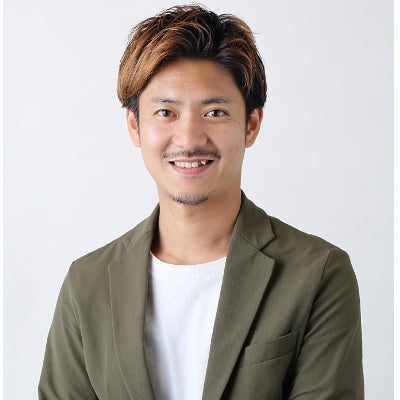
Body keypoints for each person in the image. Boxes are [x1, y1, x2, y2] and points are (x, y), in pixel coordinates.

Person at [39, 5, 364, 399]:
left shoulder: (318, 273)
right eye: (166, 112)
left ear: (251, 125)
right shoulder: (86, 284)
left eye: (215, 112)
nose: (190, 138)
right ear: (134, 126)